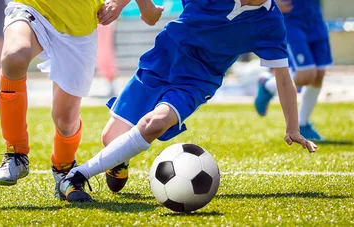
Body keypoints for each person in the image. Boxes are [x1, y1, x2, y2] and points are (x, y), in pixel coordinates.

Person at [57, 0, 318, 202]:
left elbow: (283, 78)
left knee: (154, 123)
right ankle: (118, 159)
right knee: (110, 140)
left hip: (197, 81)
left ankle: (78, 175)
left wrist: (292, 127)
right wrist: (134, 6)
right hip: (161, 62)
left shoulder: (270, 22)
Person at [0, 0, 132, 200]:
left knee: (65, 120)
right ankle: (15, 153)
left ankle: (64, 171)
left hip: (79, 24)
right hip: (33, 7)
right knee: (14, 56)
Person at [254, 0, 332, 141]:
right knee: (307, 73)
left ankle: (303, 124)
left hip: (315, 18)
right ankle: (267, 85)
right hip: (292, 20)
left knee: (319, 75)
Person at [96, 23, 119, 97]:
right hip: (98, 25)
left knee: (105, 55)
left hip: (103, 24)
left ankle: (111, 85)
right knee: (102, 56)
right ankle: (110, 84)